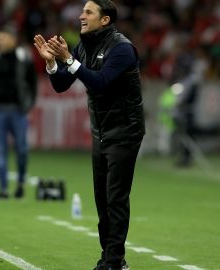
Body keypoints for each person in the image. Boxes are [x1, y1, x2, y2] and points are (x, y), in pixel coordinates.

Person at [34, 1, 145, 269]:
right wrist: (52, 64)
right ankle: (111, 258)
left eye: (88, 12)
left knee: (115, 198)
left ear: (105, 20)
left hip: (125, 131)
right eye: (82, 11)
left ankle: (113, 261)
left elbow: (102, 83)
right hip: (102, 131)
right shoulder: (85, 45)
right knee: (101, 199)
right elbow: (61, 84)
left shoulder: (122, 48)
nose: (81, 16)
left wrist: (69, 60)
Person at [0, 25, 37, 199]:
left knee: (22, 149)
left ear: (13, 39)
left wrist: (29, 105)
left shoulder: (23, 58)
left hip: (18, 111)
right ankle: (4, 188)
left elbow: (33, 83)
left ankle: (21, 183)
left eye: (2, 38)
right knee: (0, 150)